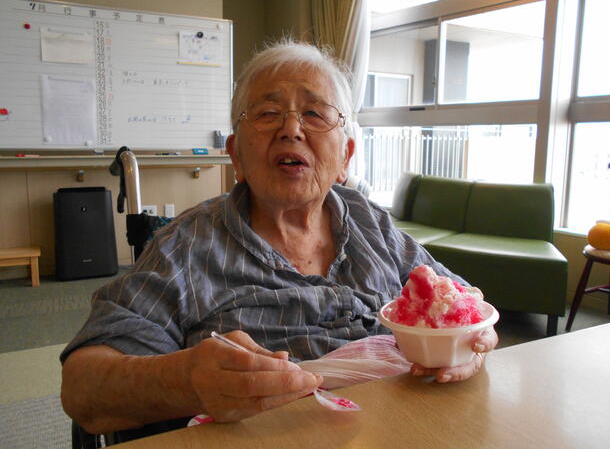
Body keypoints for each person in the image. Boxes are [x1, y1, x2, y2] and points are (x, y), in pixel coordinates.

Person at [61, 40, 498, 436]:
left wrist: (470, 344)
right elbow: (83, 389)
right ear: (236, 154)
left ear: (345, 157)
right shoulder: (186, 246)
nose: (291, 129)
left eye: (315, 114)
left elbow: (464, 304)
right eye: (268, 114)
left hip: (404, 431)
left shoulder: (372, 224)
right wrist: (185, 381)